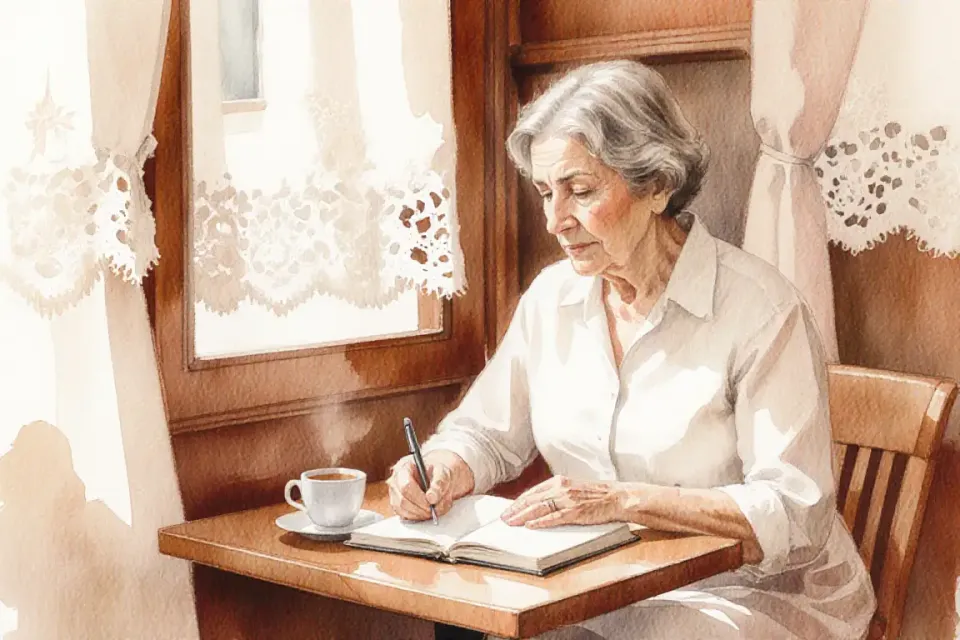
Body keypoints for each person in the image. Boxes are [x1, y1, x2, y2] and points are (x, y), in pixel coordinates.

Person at [387, 60, 876, 639]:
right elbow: (487, 433)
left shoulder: (761, 312)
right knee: (469, 619)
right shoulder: (552, 300)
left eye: (581, 190)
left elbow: (792, 513)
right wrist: (442, 468)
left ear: (658, 185)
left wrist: (621, 501)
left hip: (753, 599)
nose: (555, 220)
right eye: (546, 193)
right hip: (604, 586)